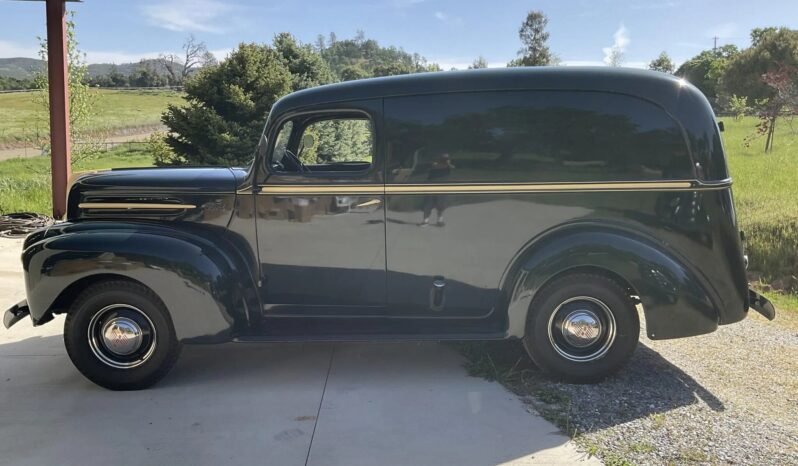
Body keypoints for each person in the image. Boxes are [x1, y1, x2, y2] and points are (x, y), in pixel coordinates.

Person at [421, 153, 455, 227]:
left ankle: (440, 220)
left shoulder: (448, 166)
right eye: (443, 159)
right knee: (428, 203)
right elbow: (432, 167)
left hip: (442, 187)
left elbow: (452, 167)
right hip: (431, 186)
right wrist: (439, 164)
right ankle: (425, 221)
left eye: (446, 159)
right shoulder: (434, 165)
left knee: (441, 204)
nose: (445, 161)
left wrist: (448, 164)